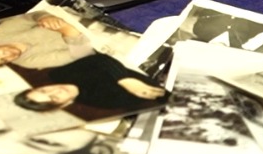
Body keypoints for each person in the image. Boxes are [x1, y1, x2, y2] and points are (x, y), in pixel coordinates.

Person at [12, 51, 166, 122]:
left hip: (133, 55)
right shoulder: (100, 102)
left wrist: (124, 80)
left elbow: (99, 59)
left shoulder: (58, 74)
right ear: (63, 104)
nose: (56, 90)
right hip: (158, 74)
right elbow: (147, 92)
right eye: (54, 98)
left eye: (44, 90)